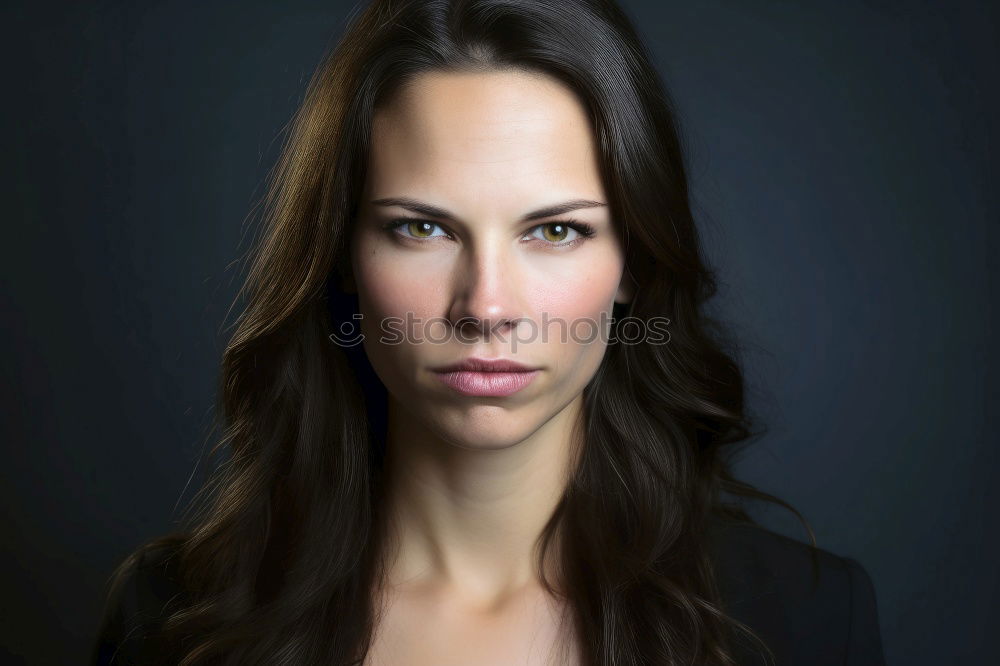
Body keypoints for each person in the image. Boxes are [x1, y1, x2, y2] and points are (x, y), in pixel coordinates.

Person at [92, 1, 886, 664]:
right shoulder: (171, 620)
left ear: (634, 264)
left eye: (555, 232)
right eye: (423, 229)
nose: (487, 307)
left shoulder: (803, 623)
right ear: (339, 258)